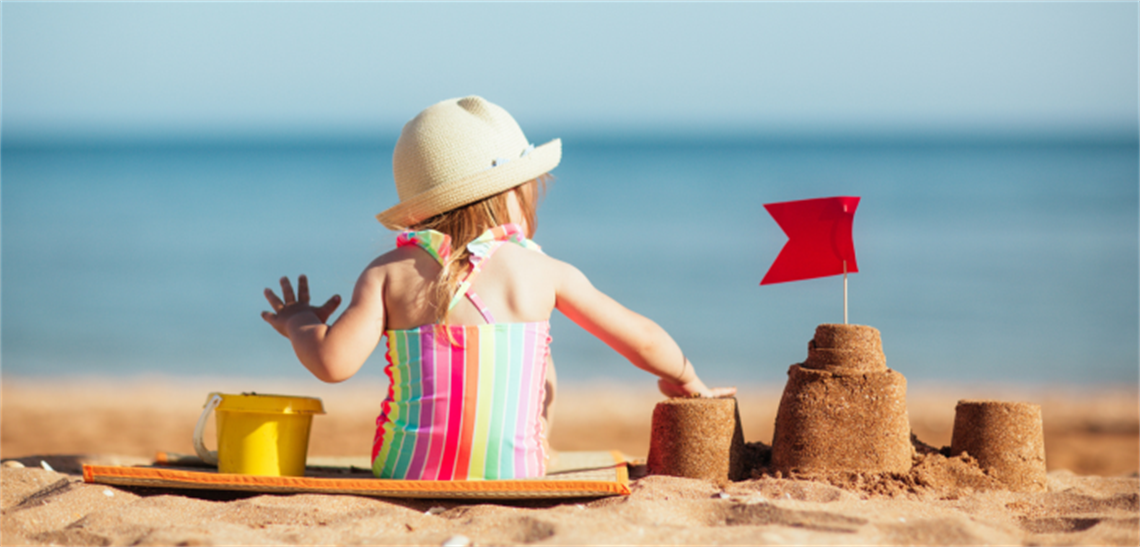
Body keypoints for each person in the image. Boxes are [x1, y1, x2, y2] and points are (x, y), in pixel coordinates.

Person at [261, 96, 735, 480]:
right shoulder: (542, 270)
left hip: (407, 471)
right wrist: (687, 381)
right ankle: (530, 447)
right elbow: (645, 340)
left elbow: (331, 363)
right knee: (539, 353)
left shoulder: (387, 273)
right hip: (518, 473)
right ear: (511, 193)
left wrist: (301, 321)